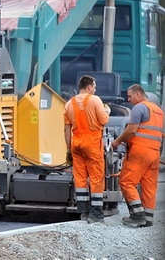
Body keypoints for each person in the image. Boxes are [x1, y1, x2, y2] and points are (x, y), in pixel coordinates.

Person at [112, 84, 163, 228]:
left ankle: (137, 215)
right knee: (149, 187)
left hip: (140, 151)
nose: (128, 100)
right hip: (154, 153)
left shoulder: (139, 107)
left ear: (138, 94)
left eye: (130, 96)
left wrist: (117, 141)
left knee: (126, 182)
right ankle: (148, 219)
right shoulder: (158, 111)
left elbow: (132, 130)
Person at [63, 75, 110, 223]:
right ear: (89, 86)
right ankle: (96, 214)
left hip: (76, 144)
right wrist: (106, 111)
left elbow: (66, 129)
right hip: (92, 143)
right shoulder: (95, 100)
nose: (95, 89)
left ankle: (83, 213)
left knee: (80, 177)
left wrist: (69, 149)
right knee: (96, 177)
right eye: (94, 87)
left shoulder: (69, 104)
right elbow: (103, 120)